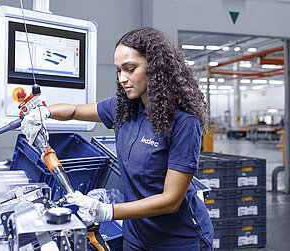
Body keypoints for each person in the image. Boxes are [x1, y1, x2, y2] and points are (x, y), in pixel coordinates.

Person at [21, 27, 213, 251]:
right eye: (118, 71)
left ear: (156, 68)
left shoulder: (183, 123)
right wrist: (44, 113)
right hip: (136, 236)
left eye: (130, 69)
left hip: (177, 239)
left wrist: (106, 211)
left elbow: (171, 201)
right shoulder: (123, 109)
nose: (123, 78)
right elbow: (73, 110)